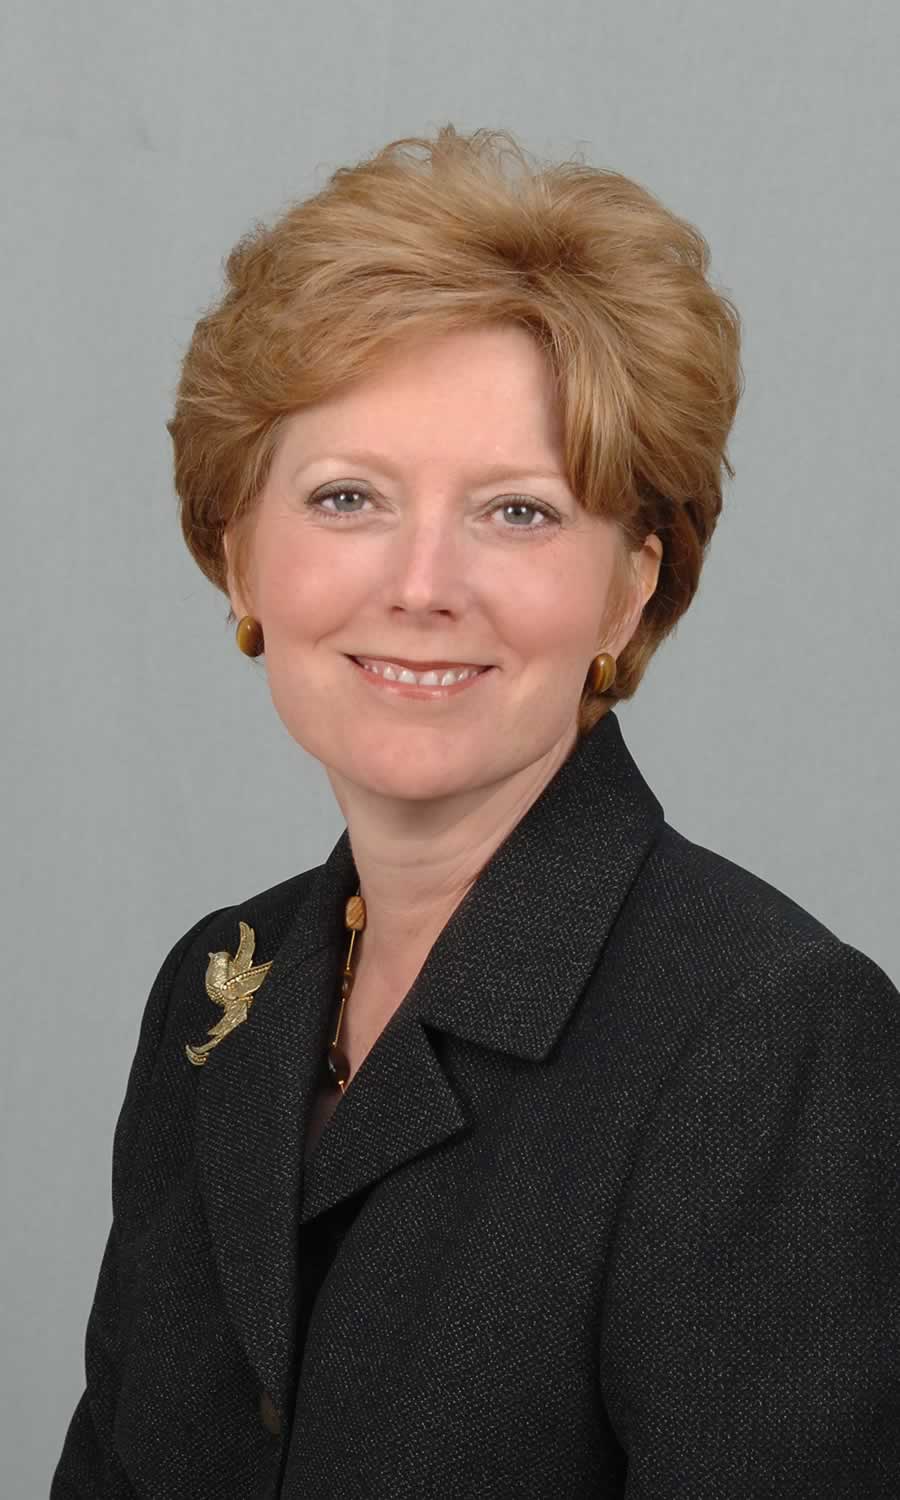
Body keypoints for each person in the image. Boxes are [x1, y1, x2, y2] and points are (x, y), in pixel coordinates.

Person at [51, 125, 899, 1499]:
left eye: (517, 513)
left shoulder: (766, 1034)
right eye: (347, 498)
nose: (423, 584)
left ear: (628, 589)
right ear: (239, 556)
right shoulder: (218, 995)